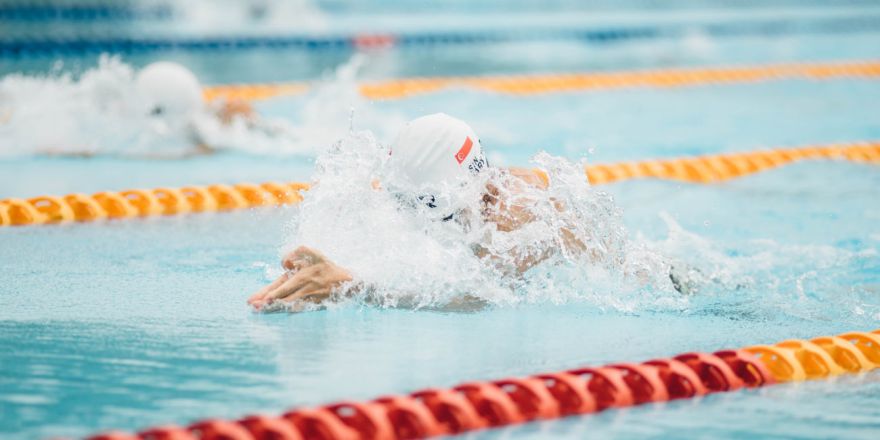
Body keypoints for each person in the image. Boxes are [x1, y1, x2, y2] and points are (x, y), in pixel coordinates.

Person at [248, 113, 648, 312]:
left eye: (435, 211)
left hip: (647, 284)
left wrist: (354, 285)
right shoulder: (439, 190)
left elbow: (472, 297)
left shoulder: (521, 213)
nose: (421, 219)